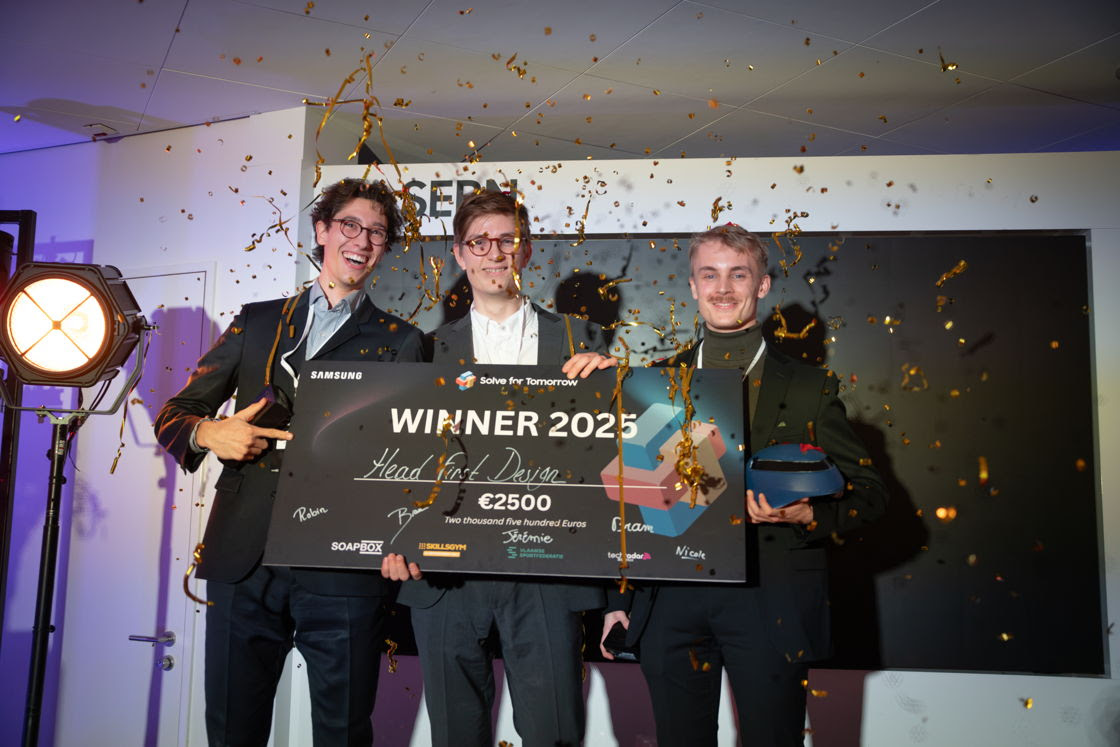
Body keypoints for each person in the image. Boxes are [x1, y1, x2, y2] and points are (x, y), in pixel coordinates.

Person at [155, 178, 424, 746]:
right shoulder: (257, 322)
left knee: (343, 731)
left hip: (343, 567)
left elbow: (408, 461)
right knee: (232, 729)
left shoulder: (401, 341)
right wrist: (211, 432)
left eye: (377, 232)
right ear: (322, 231)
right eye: (350, 225)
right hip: (243, 560)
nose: (362, 240)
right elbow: (175, 414)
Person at [599, 223, 889, 746]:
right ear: (693, 285)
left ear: (762, 284)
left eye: (738, 274)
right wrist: (617, 598)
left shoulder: (810, 386)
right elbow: (629, 499)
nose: (723, 288)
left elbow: (870, 493)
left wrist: (810, 515)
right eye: (710, 275)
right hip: (672, 598)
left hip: (769, 597)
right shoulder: (654, 380)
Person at [381, 190, 613, 747]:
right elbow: (399, 460)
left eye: (507, 241)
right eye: (479, 242)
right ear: (459, 254)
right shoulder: (425, 350)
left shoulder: (579, 341)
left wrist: (611, 386)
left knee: (554, 732)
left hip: (546, 567)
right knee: (455, 734)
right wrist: (393, 539)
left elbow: (605, 457)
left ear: (526, 251)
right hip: (445, 571)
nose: (494, 254)